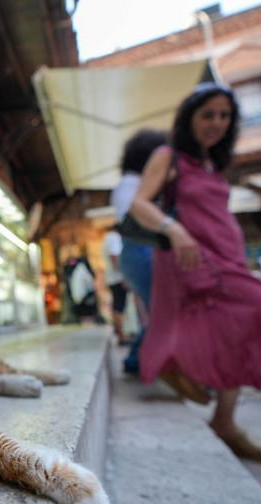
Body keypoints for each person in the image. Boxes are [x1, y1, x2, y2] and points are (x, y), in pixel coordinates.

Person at [129, 82, 261, 464]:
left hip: (228, 256)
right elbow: (139, 204)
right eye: (208, 114)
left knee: (234, 332)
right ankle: (208, 401)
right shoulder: (168, 156)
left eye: (225, 115)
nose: (217, 122)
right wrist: (175, 229)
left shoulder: (213, 164)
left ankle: (224, 418)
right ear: (189, 118)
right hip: (194, 258)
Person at [111, 129, 168, 373]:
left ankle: (138, 360)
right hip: (140, 251)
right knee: (161, 309)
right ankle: (136, 361)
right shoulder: (130, 184)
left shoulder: (132, 183)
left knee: (159, 309)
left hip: (140, 252)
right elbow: (134, 220)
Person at [101, 228, 128, 345]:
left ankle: (121, 334)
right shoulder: (113, 237)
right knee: (119, 306)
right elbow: (114, 257)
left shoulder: (108, 237)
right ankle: (122, 336)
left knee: (118, 305)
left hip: (113, 278)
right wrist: (123, 276)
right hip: (117, 278)